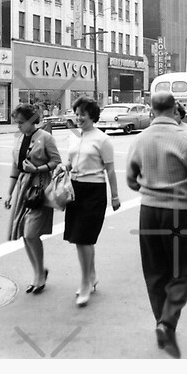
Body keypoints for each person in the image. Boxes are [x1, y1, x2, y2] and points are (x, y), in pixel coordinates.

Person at [126, 91, 187, 358]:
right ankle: (168, 321)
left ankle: (160, 321)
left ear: (151, 110)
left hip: (149, 211)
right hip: (178, 213)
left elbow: (131, 180)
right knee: (182, 270)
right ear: (175, 108)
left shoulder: (140, 139)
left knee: (154, 271)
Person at [63, 96, 121, 307]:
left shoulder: (102, 139)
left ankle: (85, 283)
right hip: (75, 189)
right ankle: (92, 276)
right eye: (76, 114)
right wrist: (65, 167)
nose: (78, 118)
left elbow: (111, 170)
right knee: (81, 239)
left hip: (94, 191)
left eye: (83, 114)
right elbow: (69, 161)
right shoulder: (73, 137)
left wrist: (115, 196)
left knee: (84, 239)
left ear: (92, 116)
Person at [4, 103, 62, 294]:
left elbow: (56, 162)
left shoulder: (46, 138)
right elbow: (15, 166)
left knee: (31, 233)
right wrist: (9, 193)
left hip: (39, 189)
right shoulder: (19, 139)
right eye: (17, 122)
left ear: (31, 120)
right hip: (23, 188)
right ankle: (38, 272)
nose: (18, 126)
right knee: (24, 233)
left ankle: (39, 273)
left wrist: (36, 169)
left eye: (21, 122)